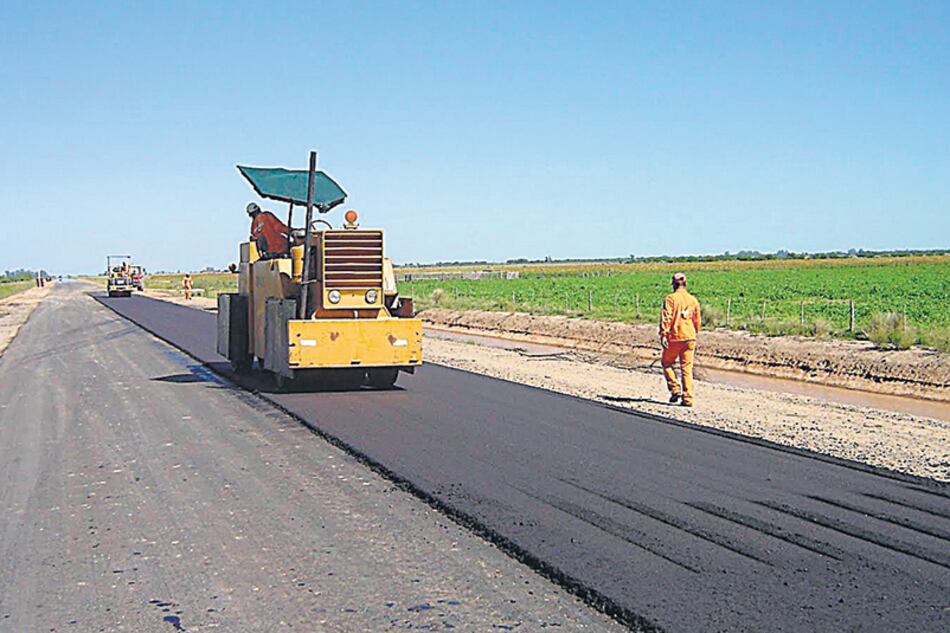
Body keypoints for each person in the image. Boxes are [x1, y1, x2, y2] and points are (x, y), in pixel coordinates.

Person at [659, 272, 702, 407]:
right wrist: (694, 332)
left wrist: (663, 334)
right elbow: (697, 320)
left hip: (675, 337)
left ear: (673, 284)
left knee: (666, 363)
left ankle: (675, 388)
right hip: (690, 337)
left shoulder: (670, 299)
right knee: (687, 369)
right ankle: (688, 398)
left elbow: (667, 317)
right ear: (685, 283)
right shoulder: (693, 300)